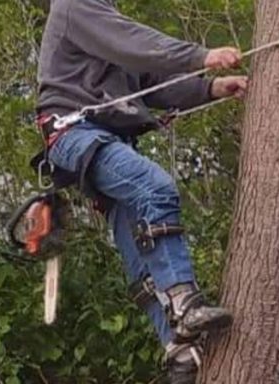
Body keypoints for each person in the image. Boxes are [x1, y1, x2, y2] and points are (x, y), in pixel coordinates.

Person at [35, 1, 248, 382]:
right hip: (74, 134)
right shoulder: (75, 5)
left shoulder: (103, 19)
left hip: (103, 141)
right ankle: (184, 303)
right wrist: (202, 55)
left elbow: (148, 80)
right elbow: (134, 44)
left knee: (137, 246)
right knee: (154, 188)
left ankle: (179, 349)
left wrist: (210, 87)